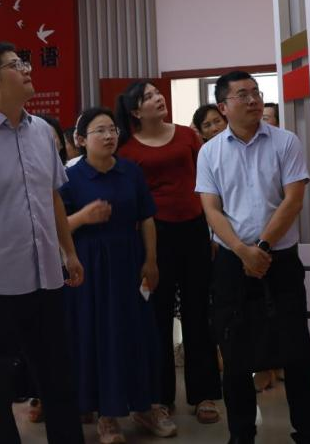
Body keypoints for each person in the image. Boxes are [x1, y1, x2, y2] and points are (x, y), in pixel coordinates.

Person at [0, 42, 85, 444]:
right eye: (15, 65)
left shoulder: (41, 132)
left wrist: (69, 253)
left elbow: (52, 197)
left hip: (47, 279)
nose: (26, 70)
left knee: (58, 379)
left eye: (24, 63)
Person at [196, 71, 310, 444]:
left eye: (256, 92)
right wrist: (242, 250)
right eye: (242, 94)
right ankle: (241, 434)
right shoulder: (210, 152)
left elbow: (293, 200)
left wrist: (262, 249)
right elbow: (211, 209)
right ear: (223, 106)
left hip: (279, 261)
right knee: (234, 354)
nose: (253, 100)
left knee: (296, 351)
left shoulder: (285, 142)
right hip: (232, 264)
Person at [62, 107, 175, 443]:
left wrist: (151, 260)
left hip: (129, 262)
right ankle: (106, 415)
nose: (109, 136)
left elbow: (147, 218)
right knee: (99, 336)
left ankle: (144, 407)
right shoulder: (69, 178)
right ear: (81, 140)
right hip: (89, 267)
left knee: (138, 333)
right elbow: (55, 227)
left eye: (112, 129)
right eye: (100, 131)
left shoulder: (130, 172)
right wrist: (83, 217)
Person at [115, 82, 222, 425]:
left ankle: (203, 394)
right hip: (154, 236)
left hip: (194, 229)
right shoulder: (127, 150)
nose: (158, 98)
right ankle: (160, 396)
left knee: (198, 313)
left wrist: (213, 232)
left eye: (156, 93)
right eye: (147, 97)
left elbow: (208, 185)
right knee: (157, 318)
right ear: (135, 111)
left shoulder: (188, 136)